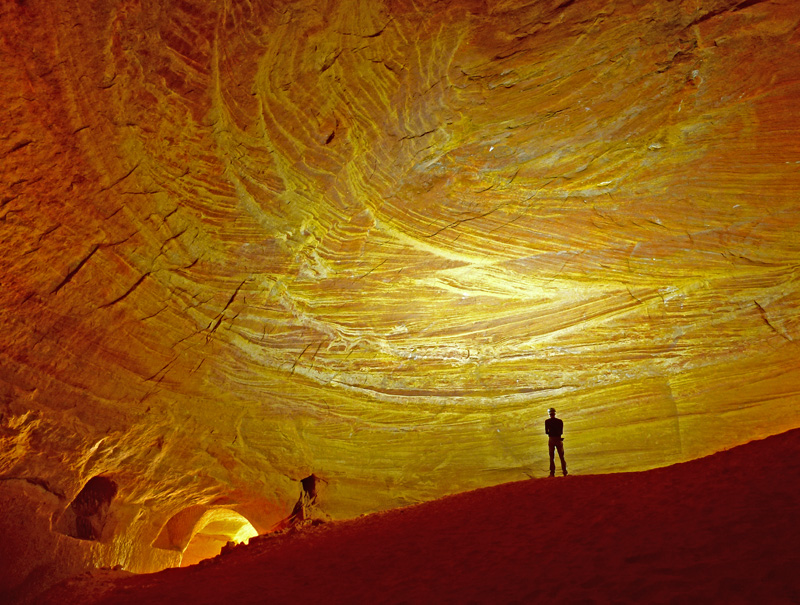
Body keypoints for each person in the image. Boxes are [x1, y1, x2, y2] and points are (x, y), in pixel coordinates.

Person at [545, 408, 568, 477]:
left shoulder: (547, 421)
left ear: (549, 414)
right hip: (558, 439)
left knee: (551, 457)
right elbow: (561, 431)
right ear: (555, 413)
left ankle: (552, 473)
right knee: (562, 456)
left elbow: (546, 432)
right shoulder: (560, 421)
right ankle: (564, 471)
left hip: (551, 439)